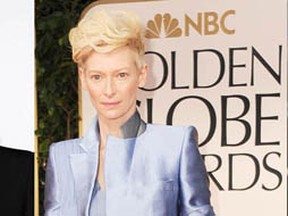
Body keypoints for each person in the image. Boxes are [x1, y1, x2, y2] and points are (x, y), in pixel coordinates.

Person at [44, 4, 215, 216]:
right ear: (83, 78)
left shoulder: (176, 146)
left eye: (121, 75)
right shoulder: (62, 155)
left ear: (141, 74)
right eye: (97, 77)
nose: (109, 91)